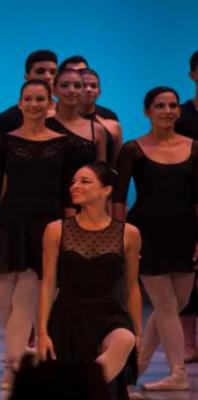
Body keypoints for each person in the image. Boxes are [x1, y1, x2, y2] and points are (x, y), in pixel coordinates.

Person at [0, 79, 76, 389]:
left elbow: (67, 195)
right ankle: (21, 351)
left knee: (24, 301)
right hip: (9, 225)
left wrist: (70, 234)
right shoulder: (3, 142)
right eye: (28, 99)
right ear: (20, 104)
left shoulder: (64, 144)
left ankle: (13, 367)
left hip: (47, 227)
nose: (34, 104)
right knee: (2, 299)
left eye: (40, 99)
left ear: (50, 105)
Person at [113, 87, 198, 391]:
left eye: (173, 105)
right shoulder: (133, 149)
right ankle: (178, 373)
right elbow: (119, 197)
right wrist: (119, 235)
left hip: (185, 232)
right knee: (165, 303)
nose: (168, 111)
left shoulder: (194, 147)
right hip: (146, 232)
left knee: (179, 303)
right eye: (160, 106)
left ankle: (140, 362)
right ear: (148, 111)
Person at [38, 161, 142, 399]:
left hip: (110, 315)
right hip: (68, 316)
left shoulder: (129, 234)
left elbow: (132, 286)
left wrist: (138, 333)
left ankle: (83, 389)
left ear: (106, 190)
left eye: (85, 181)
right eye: (73, 181)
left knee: (124, 339)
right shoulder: (56, 230)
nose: (75, 186)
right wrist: (42, 332)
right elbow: (47, 284)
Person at [175, 50, 198, 363]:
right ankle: (189, 344)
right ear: (192, 74)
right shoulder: (179, 115)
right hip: (187, 203)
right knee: (187, 275)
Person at [46, 68, 107, 167]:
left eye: (77, 86)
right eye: (64, 85)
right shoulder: (44, 124)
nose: (71, 90)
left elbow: (102, 173)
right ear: (54, 90)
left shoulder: (97, 130)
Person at [0, 50, 58, 136]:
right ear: (27, 77)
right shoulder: (7, 119)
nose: (48, 76)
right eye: (40, 71)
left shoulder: (69, 115)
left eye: (53, 72)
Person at [79, 69, 123, 165]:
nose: (89, 89)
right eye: (83, 85)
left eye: (93, 86)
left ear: (99, 91)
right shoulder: (62, 120)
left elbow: (118, 164)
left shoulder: (111, 122)